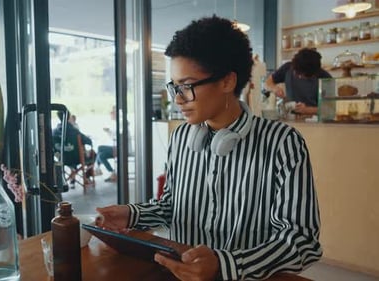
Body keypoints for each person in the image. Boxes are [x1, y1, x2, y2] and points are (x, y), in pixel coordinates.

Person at [96, 16, 321, 280]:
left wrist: (225, 264)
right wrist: (131, 214)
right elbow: (171, 206)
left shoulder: (283, 143)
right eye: (175, 86)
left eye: (187, 86)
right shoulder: (181, 137)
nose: (178, 99)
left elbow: (302, 241)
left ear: (227, 82)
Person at [265, 48, 331, 116]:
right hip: (291, 118)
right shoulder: (287, 67)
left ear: (314, 73)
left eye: (302, 75)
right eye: (296, 72)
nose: (298, 76)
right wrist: (274, 88)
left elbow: (330, 109)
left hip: (315, 121)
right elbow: (268, 82)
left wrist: (307, 110)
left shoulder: (324, 77)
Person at [52, 110, 94, 188]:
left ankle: (70, 178)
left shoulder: (53, 132)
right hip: (76, 159)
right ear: (68, 117)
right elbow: (88, 141)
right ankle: (87, 178)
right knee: (93, 154)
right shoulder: (74, 131)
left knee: (73, 154)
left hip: (62, 159)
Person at [95, 106, 118, 182]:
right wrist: (109, 131)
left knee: (100, 148)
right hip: (116, 147)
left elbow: (116, 137)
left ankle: (97, 168)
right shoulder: (116, 123)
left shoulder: (120, 123)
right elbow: (114, 136)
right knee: (101, 156)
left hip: (119, 149)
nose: (110, 114)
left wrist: (109, 131)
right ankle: (113, 173)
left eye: (112, 113)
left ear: (115, 113)